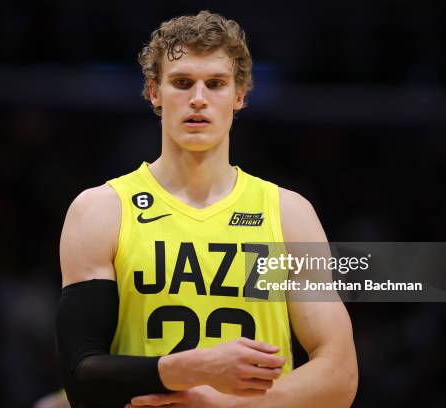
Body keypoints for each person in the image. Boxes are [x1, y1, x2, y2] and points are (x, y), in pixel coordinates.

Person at [56, 10, 358, 408]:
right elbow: (82, 378)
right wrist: (197, 367)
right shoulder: (102, 210)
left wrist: (230, 406)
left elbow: (340, 374)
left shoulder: (288, 214)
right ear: (154, 92)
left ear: (239, 95)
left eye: (215, 84)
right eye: (182, 83)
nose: (198, 98)